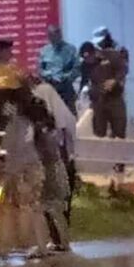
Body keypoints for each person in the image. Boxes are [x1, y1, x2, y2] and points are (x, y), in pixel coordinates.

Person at [0, 73, 52, 260]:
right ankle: (37, 245)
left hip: (19, 168)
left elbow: (11, 146)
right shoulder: (32, 116)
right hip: (32, 165)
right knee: (30, 207)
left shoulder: (17, 121)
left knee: (17, 208)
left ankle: (24, 245)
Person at [32, 77, 77, 228]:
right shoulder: (61, 116)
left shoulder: (51, 124)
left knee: (54, 202)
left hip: (56, 165)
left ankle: (58, 237)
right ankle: (58, 236)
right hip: (59, 164)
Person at [89, 31, 128, 140]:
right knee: (99, 132)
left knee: (119, 130)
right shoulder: (91, 56)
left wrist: (114, 81)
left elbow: (123, 69)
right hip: (98, 98)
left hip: (114, 97)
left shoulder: (115, 54)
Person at [38, 25, 80, 114]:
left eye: (56, 35)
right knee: (51, 117)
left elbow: (77, 68)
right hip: (50, 88)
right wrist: (48, 75)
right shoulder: (44, 51)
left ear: (60, 35)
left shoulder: (70, 49)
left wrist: (66, 77)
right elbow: (40, 70)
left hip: (66, 88)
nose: (53, 38)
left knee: (70, 117)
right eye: (50, 35)